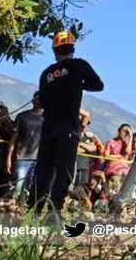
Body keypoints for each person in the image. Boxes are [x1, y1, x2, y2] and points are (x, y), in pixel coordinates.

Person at [31, 31, 104, 214]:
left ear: (55, 51)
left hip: (48, 126)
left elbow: (43, 101)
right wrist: (77, 84)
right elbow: (98, 85)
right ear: (72, 48)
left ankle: (34, 209)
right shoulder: (79, 65)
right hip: (68, 126)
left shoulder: (46, 73)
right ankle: (54, 211)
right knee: (64, 169)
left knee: (43, 169)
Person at [7, 92, 43, 201]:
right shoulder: (23, 117)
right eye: (38, 99)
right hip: (22, 158)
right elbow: (13, 139)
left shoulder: (48, 119)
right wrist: (8, 158)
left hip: (39, 159)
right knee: (17, 186)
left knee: (30, 188)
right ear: (33, 100)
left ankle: (22, 209)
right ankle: (11, 207)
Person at [76, 110, 105, 186]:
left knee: (80, 187)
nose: (85, 125)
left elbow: (93, 148)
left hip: (83, 165)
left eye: (87, 124)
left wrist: (80, 144)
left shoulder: (90, 137)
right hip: (73, 163)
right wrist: (85, 148)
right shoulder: (74, 134)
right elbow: (74, 148)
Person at [103, 124, 133, 192]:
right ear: (119, 129)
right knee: (114, 189)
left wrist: (131, 136)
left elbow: (127, 151)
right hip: (113, 170)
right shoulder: (110, 141)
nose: (123, 133)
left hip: (123, 170)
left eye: (126, 132)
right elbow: (106, 156)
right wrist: (120, 156)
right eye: (123, 130)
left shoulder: (125, 143)